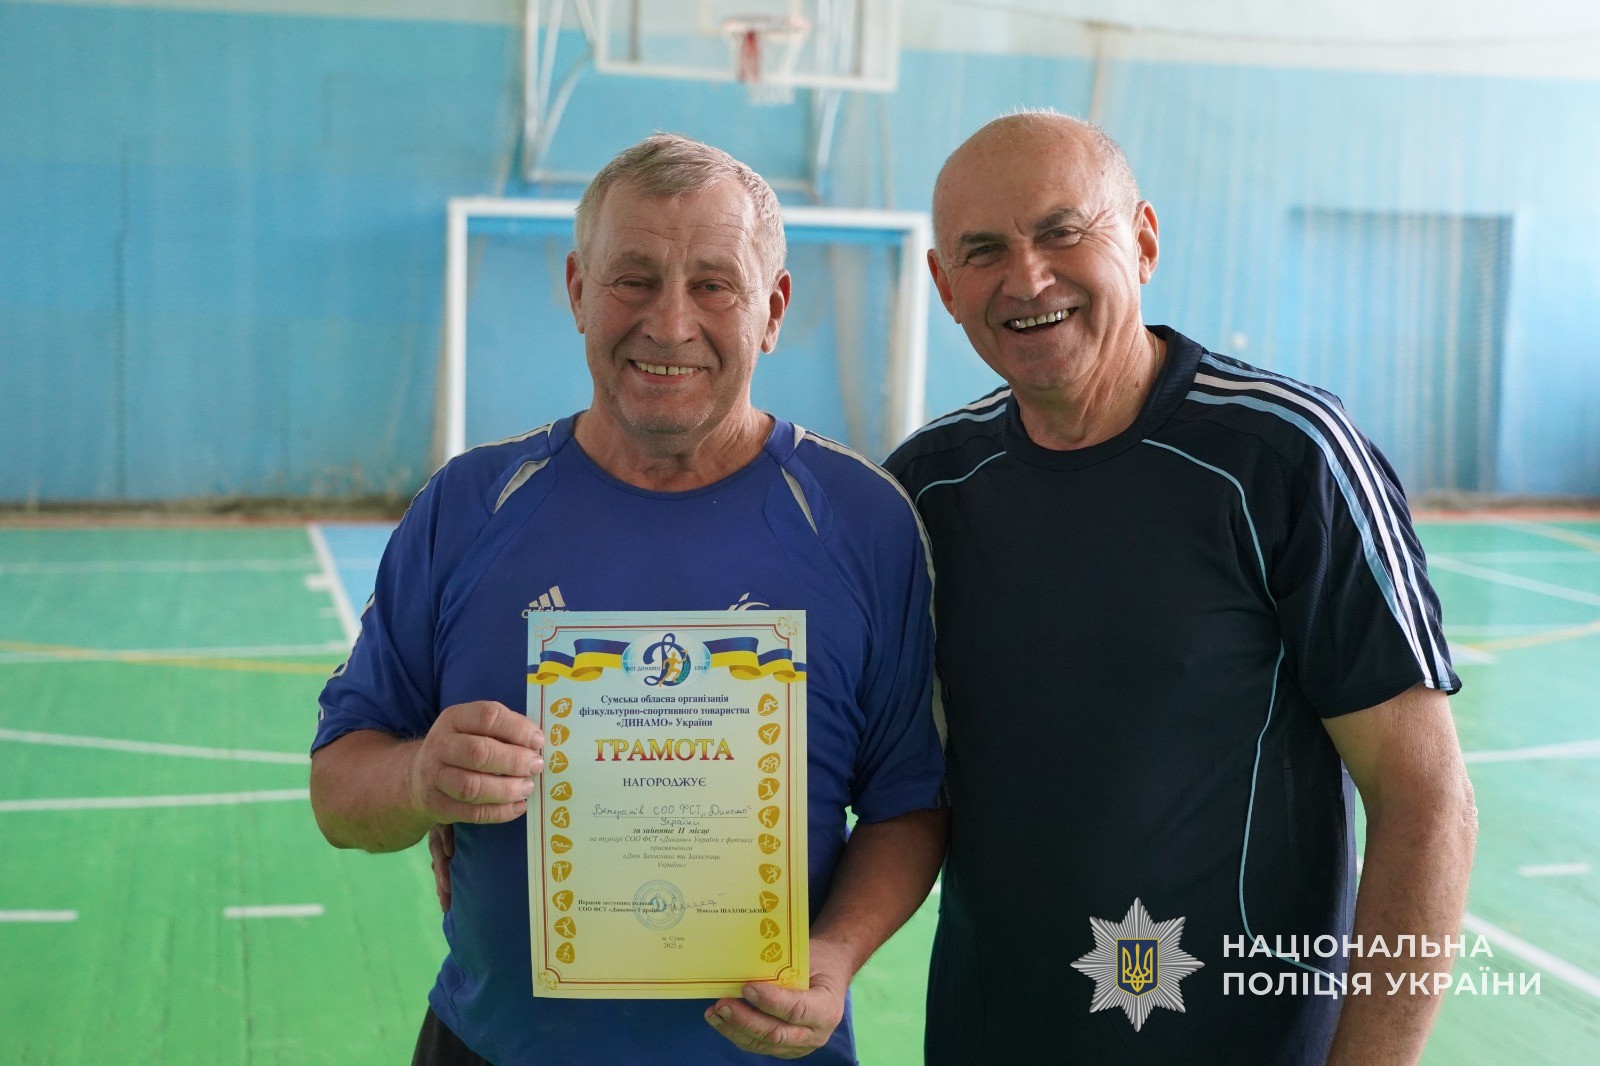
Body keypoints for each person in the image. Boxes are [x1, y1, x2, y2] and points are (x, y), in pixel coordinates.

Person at [309, 133, 947, 1065]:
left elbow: (908, 801)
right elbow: (338, 787)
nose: (670, 323)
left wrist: (835, 953)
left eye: (714, 285)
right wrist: (417, 780)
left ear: (772, 309)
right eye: (633, 279)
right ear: (578, 290)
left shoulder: (863, 523)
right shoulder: (471, 505)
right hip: (493, 1045)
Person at [883, 111, 1477, 1065]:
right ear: (945, 286)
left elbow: (1425, 800)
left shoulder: (1287, 458)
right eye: (983, 250)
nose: (1027, 279)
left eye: (1063, 232)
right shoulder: (924, 489)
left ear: (1144, 241)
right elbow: (885, 781)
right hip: (990, 1035)